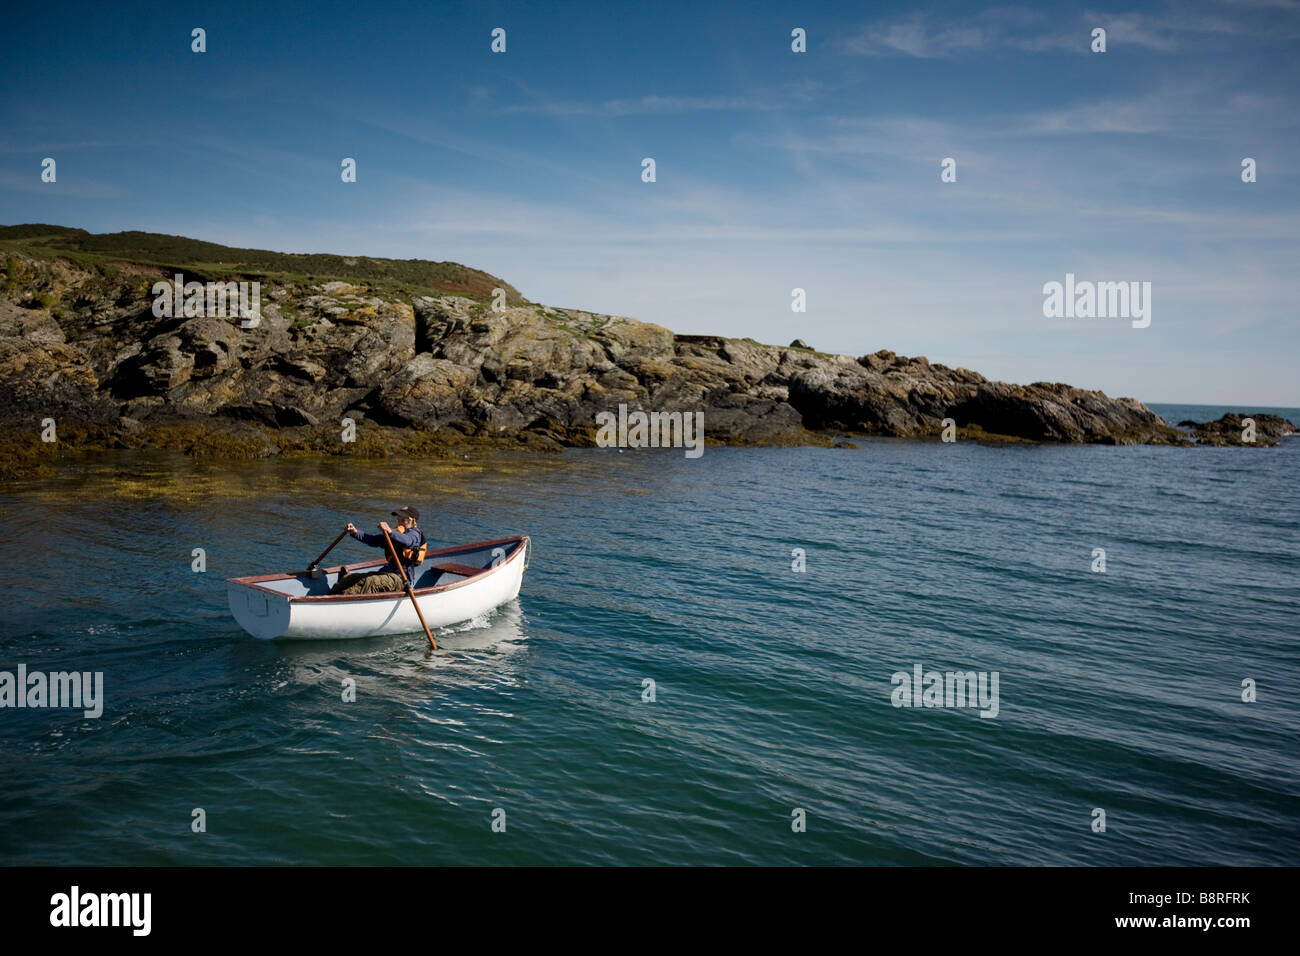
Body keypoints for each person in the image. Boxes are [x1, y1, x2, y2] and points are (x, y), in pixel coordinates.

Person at [331, 506, 427, 595]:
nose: (400, 521)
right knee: (349, 578)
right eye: (399, 518)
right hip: (385, 572)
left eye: (403, 519)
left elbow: (408, 541)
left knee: (369, 582)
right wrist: (355, 532)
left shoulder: (415, 534)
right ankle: (330, 595)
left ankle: (341, 600)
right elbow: (373, 540)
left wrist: (390, 531)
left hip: (401, 579)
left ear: (413, 521)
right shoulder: (394, 534)